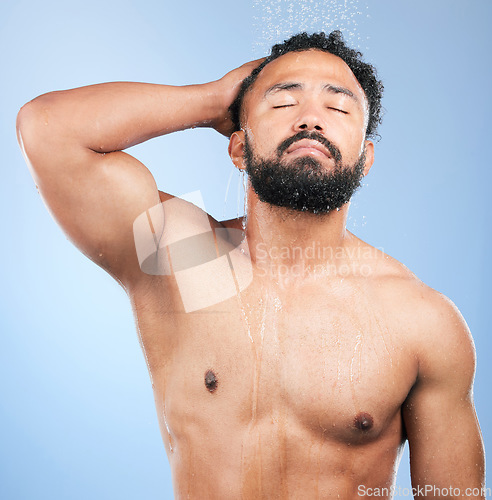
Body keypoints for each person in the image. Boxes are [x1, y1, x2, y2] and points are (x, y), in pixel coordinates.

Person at [16, 31, 485, 499]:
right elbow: (47, 129)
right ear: (239, 147)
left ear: (365, 161)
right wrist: (212, 98)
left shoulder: (417, 320)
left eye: (338, 108)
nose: (310, 120)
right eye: (283, 104)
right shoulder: (189, 262)